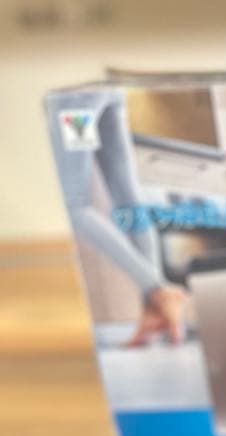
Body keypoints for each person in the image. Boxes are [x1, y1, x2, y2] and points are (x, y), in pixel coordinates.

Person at [47, 87, 186, 346]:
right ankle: (153, 311)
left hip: (74, 99)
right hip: (106, 91)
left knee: (76, 206)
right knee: (128, 199)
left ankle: (158, 288)